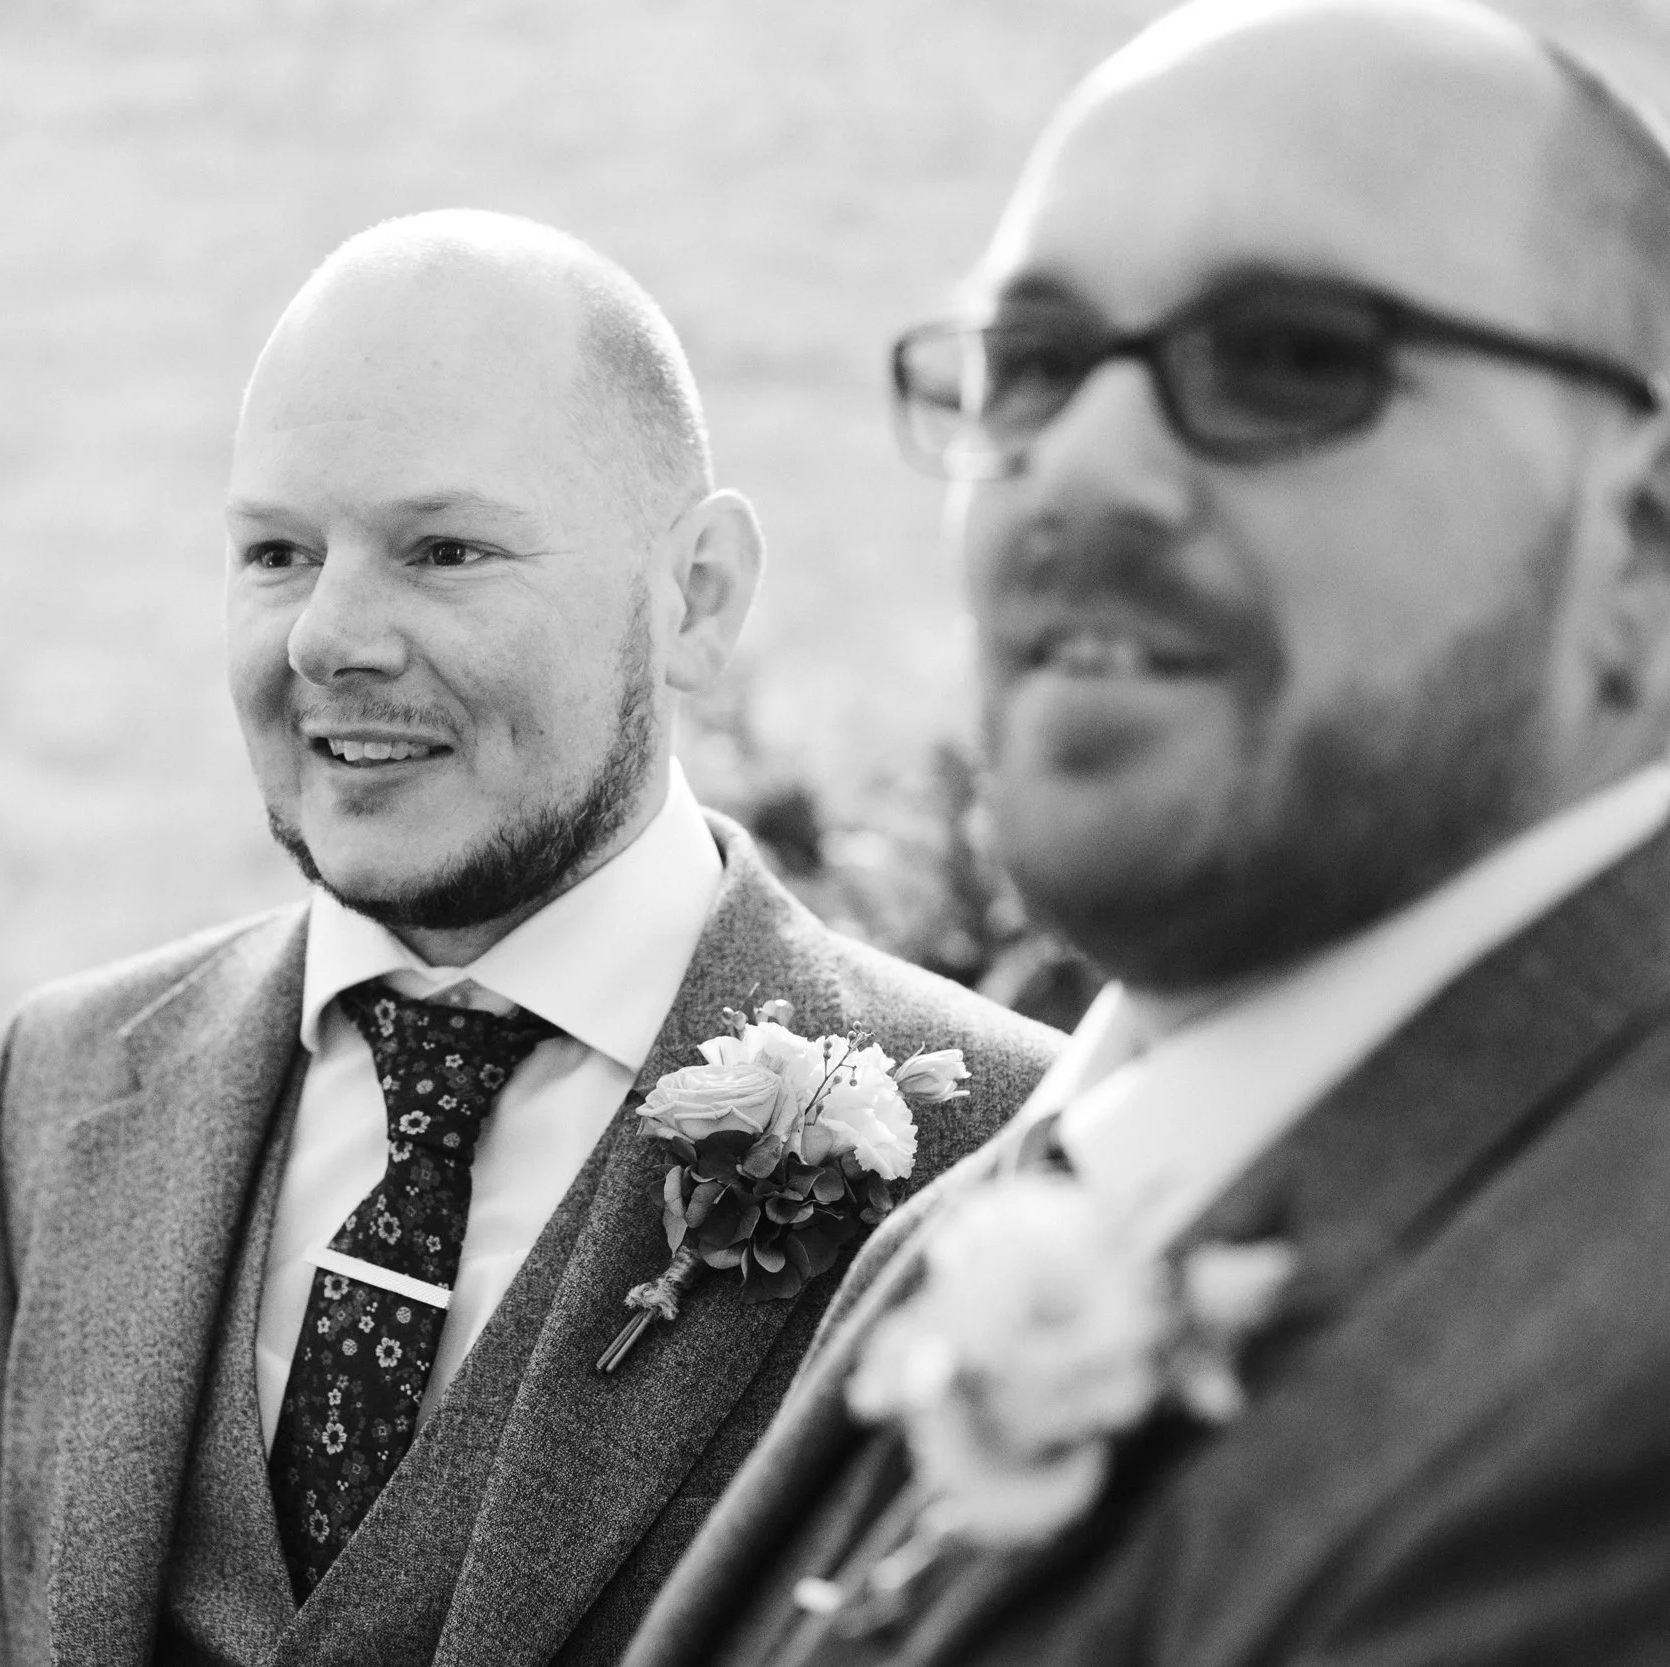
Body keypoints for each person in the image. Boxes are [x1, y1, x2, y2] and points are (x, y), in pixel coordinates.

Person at [623, 3, 1670, 1664]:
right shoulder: (1022, 1187)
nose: (1082, 466)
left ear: (1643, 544)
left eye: (1289, 357)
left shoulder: (1617, 1414)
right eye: (1030, 365)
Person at [0, 210, 1059, 1666]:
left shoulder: (1004, 1158)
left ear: (697, 595)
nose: (328, 638)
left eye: (445, 549)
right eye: (278, 551)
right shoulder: (60, 1090)